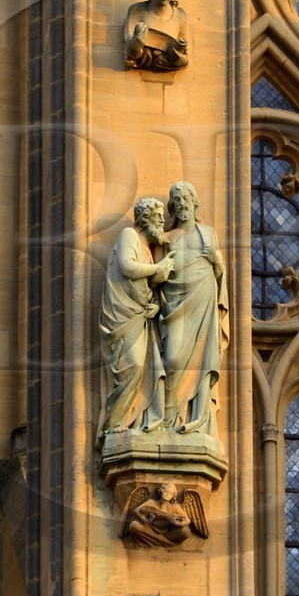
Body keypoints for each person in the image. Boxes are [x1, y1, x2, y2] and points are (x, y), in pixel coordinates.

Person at [98, 197, 174, 441]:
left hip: (139, 315)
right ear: (145, 218)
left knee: (141, 365)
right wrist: (157, 269)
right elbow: (128, 268)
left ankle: (126, 420)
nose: (162, 223)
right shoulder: (129, 235)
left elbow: (144, 285)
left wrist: (153, 303)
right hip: (122, 316)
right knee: (132, 365)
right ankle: (112, 424)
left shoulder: (147, 250)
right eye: (158, 218)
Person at [159, 182, 228, 437]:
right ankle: (166, 416)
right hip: (174, 303)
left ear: (195, 203)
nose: (182, 203)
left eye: (186, 198)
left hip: (203, 300)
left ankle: (194, 418)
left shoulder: (208, 233)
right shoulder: (168, 238)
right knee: (172, 359)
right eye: (177, 199)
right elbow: (157, 273)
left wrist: (217, 262)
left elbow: (220, 273)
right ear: (173, 207)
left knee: (201, 362)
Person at [123, 0, 190, 72]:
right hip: (141, 57)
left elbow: (186, 49)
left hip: (168, 61)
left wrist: (183, 60)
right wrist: (135, 45)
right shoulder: (137, 10)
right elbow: (129, 44)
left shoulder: (180, 15)